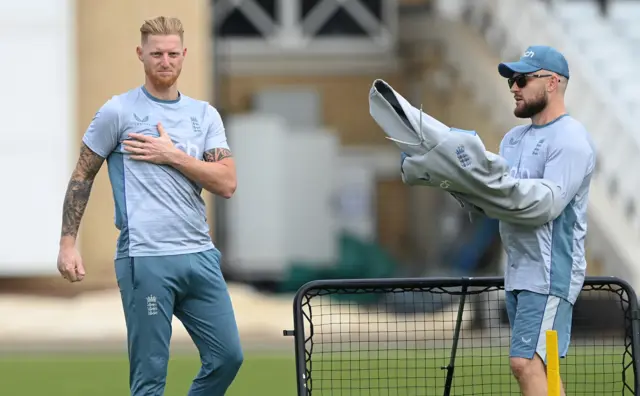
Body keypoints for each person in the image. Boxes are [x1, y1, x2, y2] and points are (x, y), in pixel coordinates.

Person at [56, 16, 243, 396]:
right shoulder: (118, 112)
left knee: (228, 357)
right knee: (150, 378)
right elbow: (81, 176)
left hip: (200, 255)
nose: (165, 60)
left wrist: (173, 155)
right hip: (146, 257)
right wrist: (68, 242)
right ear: (140, 54)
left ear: (184, 55)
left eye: (173, 53)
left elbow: (226, 182)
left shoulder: (204, 115)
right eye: (156, 53)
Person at [497, 45, 596, 396]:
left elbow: (546, 206)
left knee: (525, 363)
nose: (514, 86)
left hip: (551, 272)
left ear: (552, 83)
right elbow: (491, 198)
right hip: (519, 269)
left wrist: (493, 193)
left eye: (522, 79)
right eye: (512, 79)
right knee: (540, 365)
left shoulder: (571, 139)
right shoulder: (512, 139)